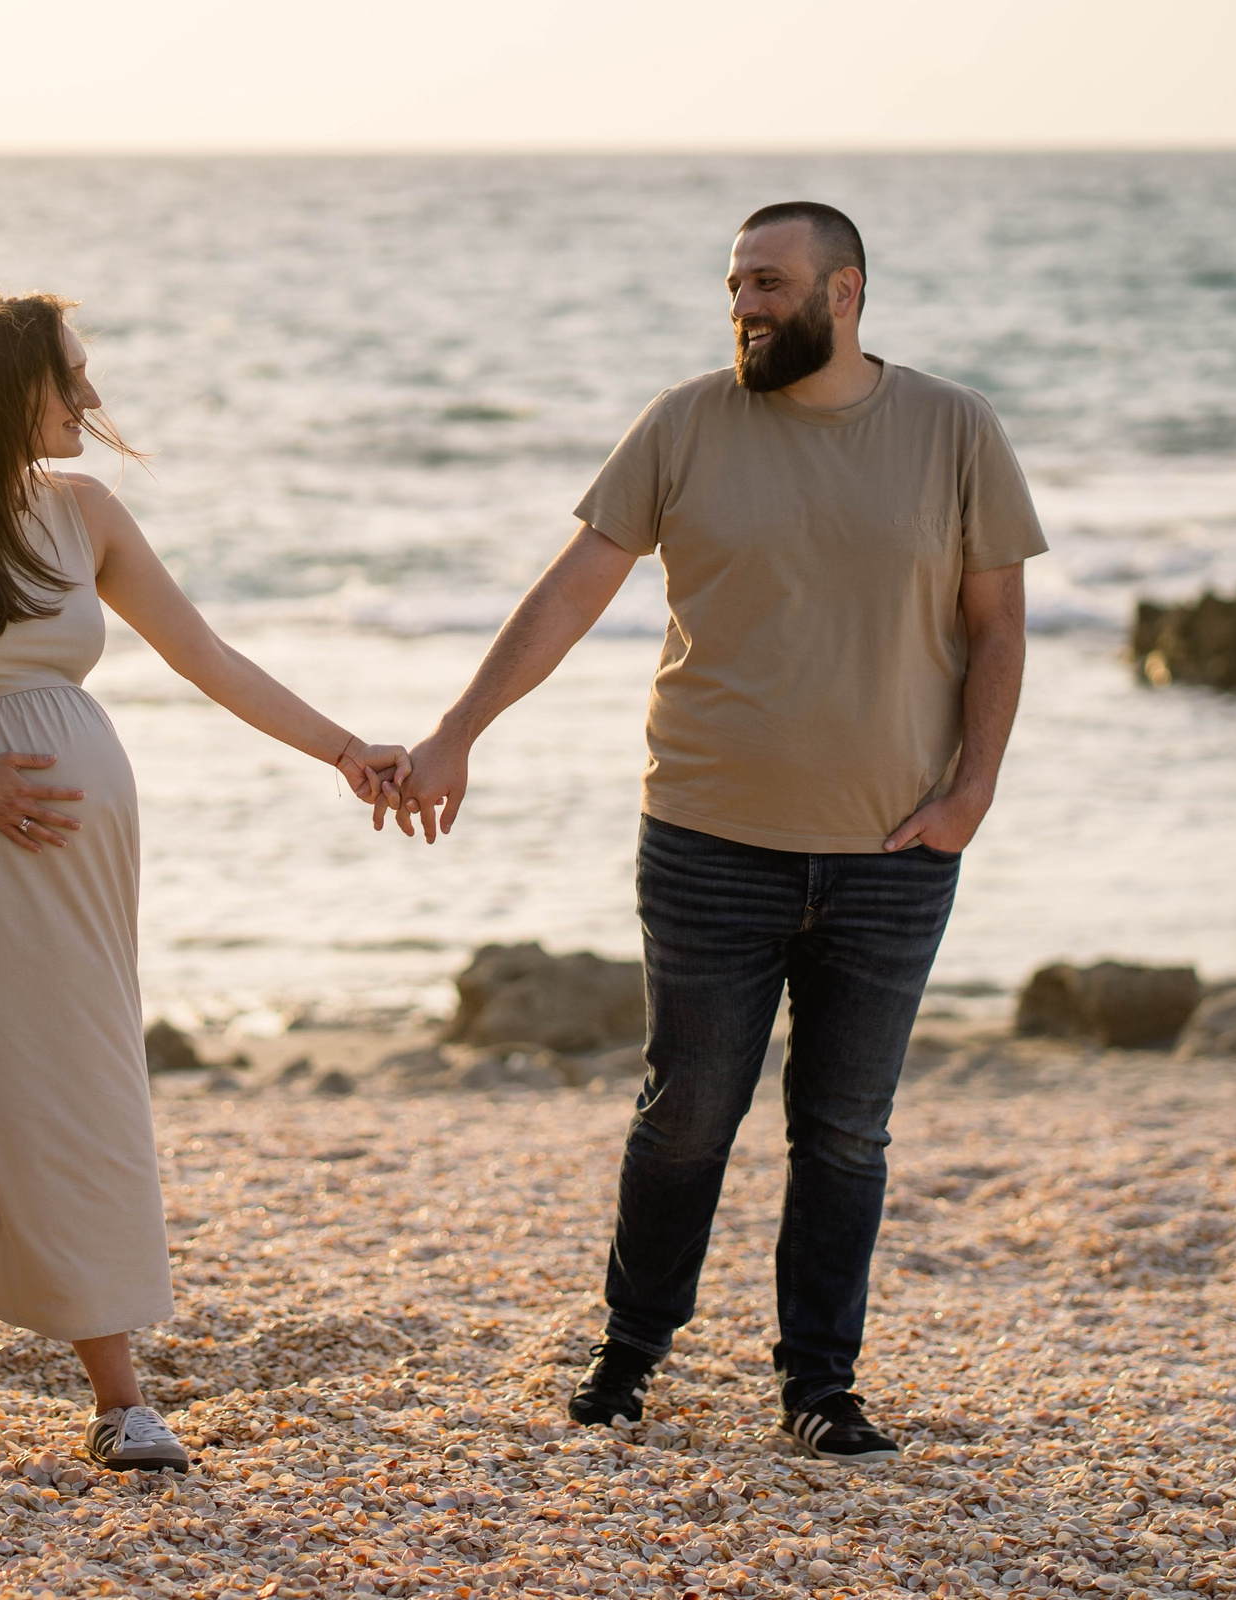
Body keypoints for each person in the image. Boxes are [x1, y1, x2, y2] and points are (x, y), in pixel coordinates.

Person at [386, 203, 1044, 1463]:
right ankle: (630, 1353)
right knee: (687, 1114)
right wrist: (457, 729)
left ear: (843, 293)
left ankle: (819, 1385)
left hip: (893, 853)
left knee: (844, 1132)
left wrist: (973, 793)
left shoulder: (953, 427)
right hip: (705, 839)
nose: (743, 305)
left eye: (769, 283)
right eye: (735, 282)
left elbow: (996, 626)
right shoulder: (684, 422)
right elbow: (571, 591)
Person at [0, 293, 407, 1475]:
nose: (89, 399)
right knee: (20, 1101)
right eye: (67, 378)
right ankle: (117, 1400)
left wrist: (343, 750)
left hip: (76, 860)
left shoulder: (87, 516)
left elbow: (208, 656)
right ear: (3, 389)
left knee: (24, 1107)